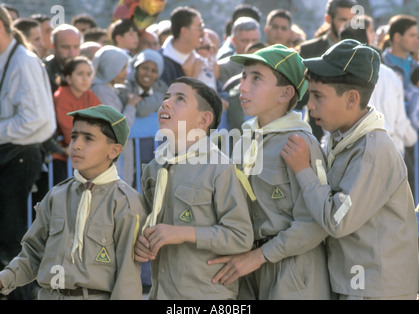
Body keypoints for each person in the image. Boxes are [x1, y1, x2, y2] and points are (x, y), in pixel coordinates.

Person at [281, 39, 419, 299]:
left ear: (352, 99)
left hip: (374, 289)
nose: (309, 105)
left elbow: (338, 220)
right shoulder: (341, 137)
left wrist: (303, 170)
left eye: (318, 96)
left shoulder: (371, 151)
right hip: (356, 283)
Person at [208, 45, 331, 299]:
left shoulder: (300, 143)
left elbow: (315, 223)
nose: (243, 87)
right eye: (243, 77)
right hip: (248, 268)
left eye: (256, 79)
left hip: (293, 270)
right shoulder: (245, 139)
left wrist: (259, 256)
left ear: (285, 93)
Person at [0, 104, 144, 300]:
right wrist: (4, 280)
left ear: (114, 150)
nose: (76, 144)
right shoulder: (57, 195)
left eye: (88, 138)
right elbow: (33, 254)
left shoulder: (125, 202)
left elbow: (127, 278)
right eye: (74, 136)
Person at [134, 77, 254, 300]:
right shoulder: (154, 168)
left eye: (180, 99)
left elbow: (241, 235)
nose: (166, 103)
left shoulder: (220, 168)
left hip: (206, 294)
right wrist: (142, 241)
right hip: (161, 293)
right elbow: (150, 222)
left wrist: (182, 233)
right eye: (166, 97)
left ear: (203, 120)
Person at [0, 6, 56, 297]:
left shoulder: (23, 61)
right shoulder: (8, 58)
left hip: (19, 157)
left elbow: (37, 119)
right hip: (10, 154)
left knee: (11, 240)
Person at [339, 15, 417, 157]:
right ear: (364, 37)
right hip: (390, 150)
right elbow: (401, 123)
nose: (375, 35)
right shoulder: (390, 74)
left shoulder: (338, 73)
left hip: (352, 151)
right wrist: (412, 138)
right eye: (371, 31)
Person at [298, 0, 357, 142]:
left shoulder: (360, 51)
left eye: (352, 20)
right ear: (328, 19)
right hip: (316, 130)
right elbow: (300, 92)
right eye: (343, 19)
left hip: (353, 131)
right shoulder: (309, 50)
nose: (347, 25)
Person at [381, 15, 419, 201]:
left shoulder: (415, 66)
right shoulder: (382, 65)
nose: (416, 40)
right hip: (393, 140)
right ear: (397, 37)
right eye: (412, 35)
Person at [91, 45, 140, 187]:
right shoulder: (101, 91)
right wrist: (131, 105)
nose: (126, 73)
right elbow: (120, 125)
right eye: (122, 69)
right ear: (110, 68)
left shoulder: (110, 88)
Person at [52, 56, 102, 184]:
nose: (85, 78)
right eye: (80, 74)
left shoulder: (89, 95)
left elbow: (101, 120)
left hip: (85, 153)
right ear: (68, 78)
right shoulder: (61, 95)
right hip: (61, 155)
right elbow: (68, 127)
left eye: (88, 74)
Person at [159, 6, 205, 87]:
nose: (203, 33)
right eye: (199, 27)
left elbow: (217, 90)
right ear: (184, 31)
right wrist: (191, 77)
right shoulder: (159, 63)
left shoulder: (201, 58)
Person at [217, 16, 260, 87]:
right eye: (244, 41)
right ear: (233, 41)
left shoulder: (268, 66)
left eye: (254, 40)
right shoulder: (223, 68)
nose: (250, 45)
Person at [44, 24, 83, 94]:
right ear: (53, 47)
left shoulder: (85, 69)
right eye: (66, 47)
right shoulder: (44, 71)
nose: (72, 53)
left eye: (76, 47)